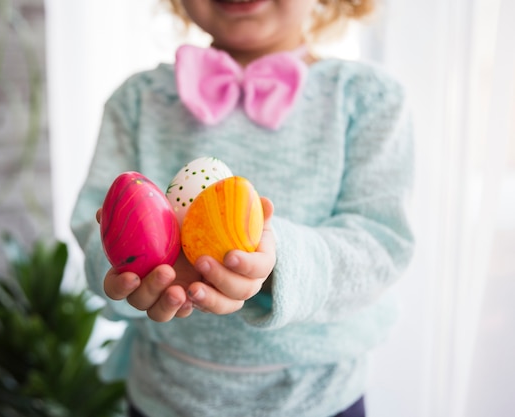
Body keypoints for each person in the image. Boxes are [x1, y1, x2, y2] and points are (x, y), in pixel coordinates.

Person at [71, 0, 414, 416]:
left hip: (318, 398)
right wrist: (127, 266)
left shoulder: (368, 98)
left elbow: (378, 244)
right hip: (165, 397)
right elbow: (96, 228)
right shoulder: (138, 100)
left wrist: (275, 259)